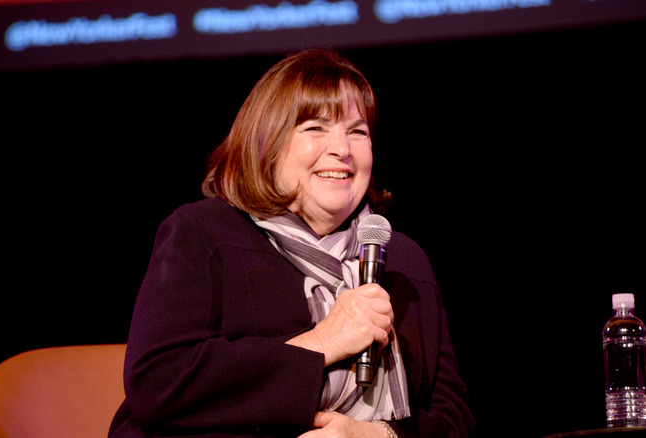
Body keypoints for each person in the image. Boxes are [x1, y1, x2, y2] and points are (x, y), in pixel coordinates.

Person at [108, 48, 474, 438]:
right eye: (315, 128)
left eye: (357, 131)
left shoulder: (402, 258)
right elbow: (159, 381)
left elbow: (453, 416)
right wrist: (324, 340)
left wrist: (374, 435)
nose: (343, 150)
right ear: (267, 144)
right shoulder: (204, 233)